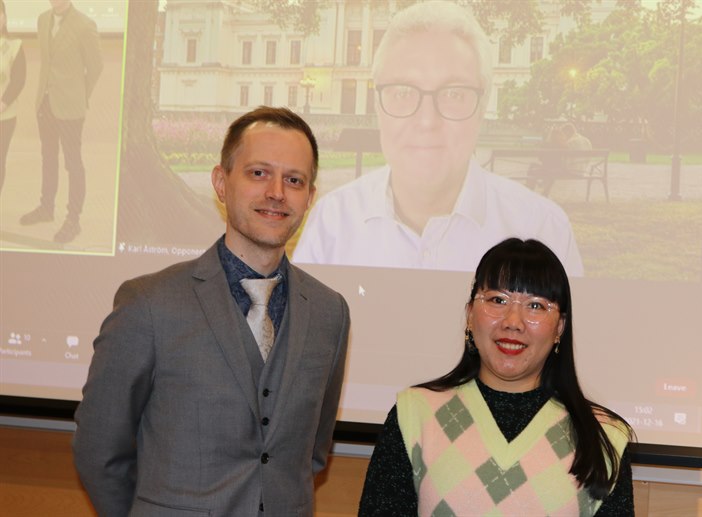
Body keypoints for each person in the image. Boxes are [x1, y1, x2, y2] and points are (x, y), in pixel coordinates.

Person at [73, 107, 351, 516]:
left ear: (309, 197)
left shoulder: (330, 313)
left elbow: (311, 453)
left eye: (294, 180)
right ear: (221, 182)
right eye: (259, 173)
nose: (277, 192)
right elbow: (99, 448)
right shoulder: (148, 303)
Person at [293, 1, 584, 275]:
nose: (427, 121)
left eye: (454, 94)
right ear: (377, 105)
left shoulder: (546, 231)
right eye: (403, 92)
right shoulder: (331, 223)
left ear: (482, 108)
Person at [358, 238, 634, 516]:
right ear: (469, 314)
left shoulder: (604, 436)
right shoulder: (415, 414)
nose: (512, 322)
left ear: (560, 327)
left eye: (536, 305)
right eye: (497, 300)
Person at [20, 0, 103, 243]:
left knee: (73, 163)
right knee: (48, 158)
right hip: (45, 103)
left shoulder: (85, 25)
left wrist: (80, 94)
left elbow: (96, 67)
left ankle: (73, 219)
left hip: (71, 108)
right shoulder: (42, 19)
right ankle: (46, 208)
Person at [0, 0, 26, 195]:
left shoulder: (14, 45)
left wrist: (3, 103)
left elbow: (18, 79)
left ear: (5, 18)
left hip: (4, 116)